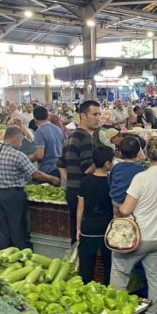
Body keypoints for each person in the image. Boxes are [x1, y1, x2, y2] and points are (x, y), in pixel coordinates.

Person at [110, 136, 157, 314]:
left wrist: (118, 213)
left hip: (137, 238)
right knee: (156, 279)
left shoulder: (141, 178)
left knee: (120, 274)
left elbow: (126, 209)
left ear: (146, 153)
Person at [0, 126, 60, 249]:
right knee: (17, 229)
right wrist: (53, 179)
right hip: (13, 196)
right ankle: (19, 257)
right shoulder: (18, 155)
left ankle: (4, 256)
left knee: (2, 230)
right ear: (15, 139)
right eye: (21, 140)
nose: (21, 144)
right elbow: (35, 174)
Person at [58, 100, 100, 244]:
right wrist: (103, 163)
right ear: (83, 115)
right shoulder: (86, 138)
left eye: (99, 114)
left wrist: (70, 181)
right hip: (84, 195)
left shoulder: (71, 136)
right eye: (94, 114)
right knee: (85, 235)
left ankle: (75, 262)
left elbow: (60, 164)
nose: (98, 118)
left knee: (75, 232)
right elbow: (88, 168)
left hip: (72, 192)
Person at [77, 146, 114, 284]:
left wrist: (78, 228)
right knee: (108, 263)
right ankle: (107, 289)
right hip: (107, 229)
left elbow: (81, 207)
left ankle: (85, 288)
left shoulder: (85, 181)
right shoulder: (111, 182)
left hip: (88, 228)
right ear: (107, 164)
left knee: (86, 264)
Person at [109, 135, 145, 207]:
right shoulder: (140, 169)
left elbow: (110, 181)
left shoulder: (116, 167)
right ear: (138, 153)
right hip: (128, 202)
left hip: (114, 200)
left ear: (121, 153)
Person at [32, 106, 64, 178]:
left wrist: (30, 158)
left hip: (47, 170)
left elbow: (39, 155)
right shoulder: (58, 129)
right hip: (60, 168)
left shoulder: (39, 132)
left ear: (35, 118)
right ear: (47, 116)